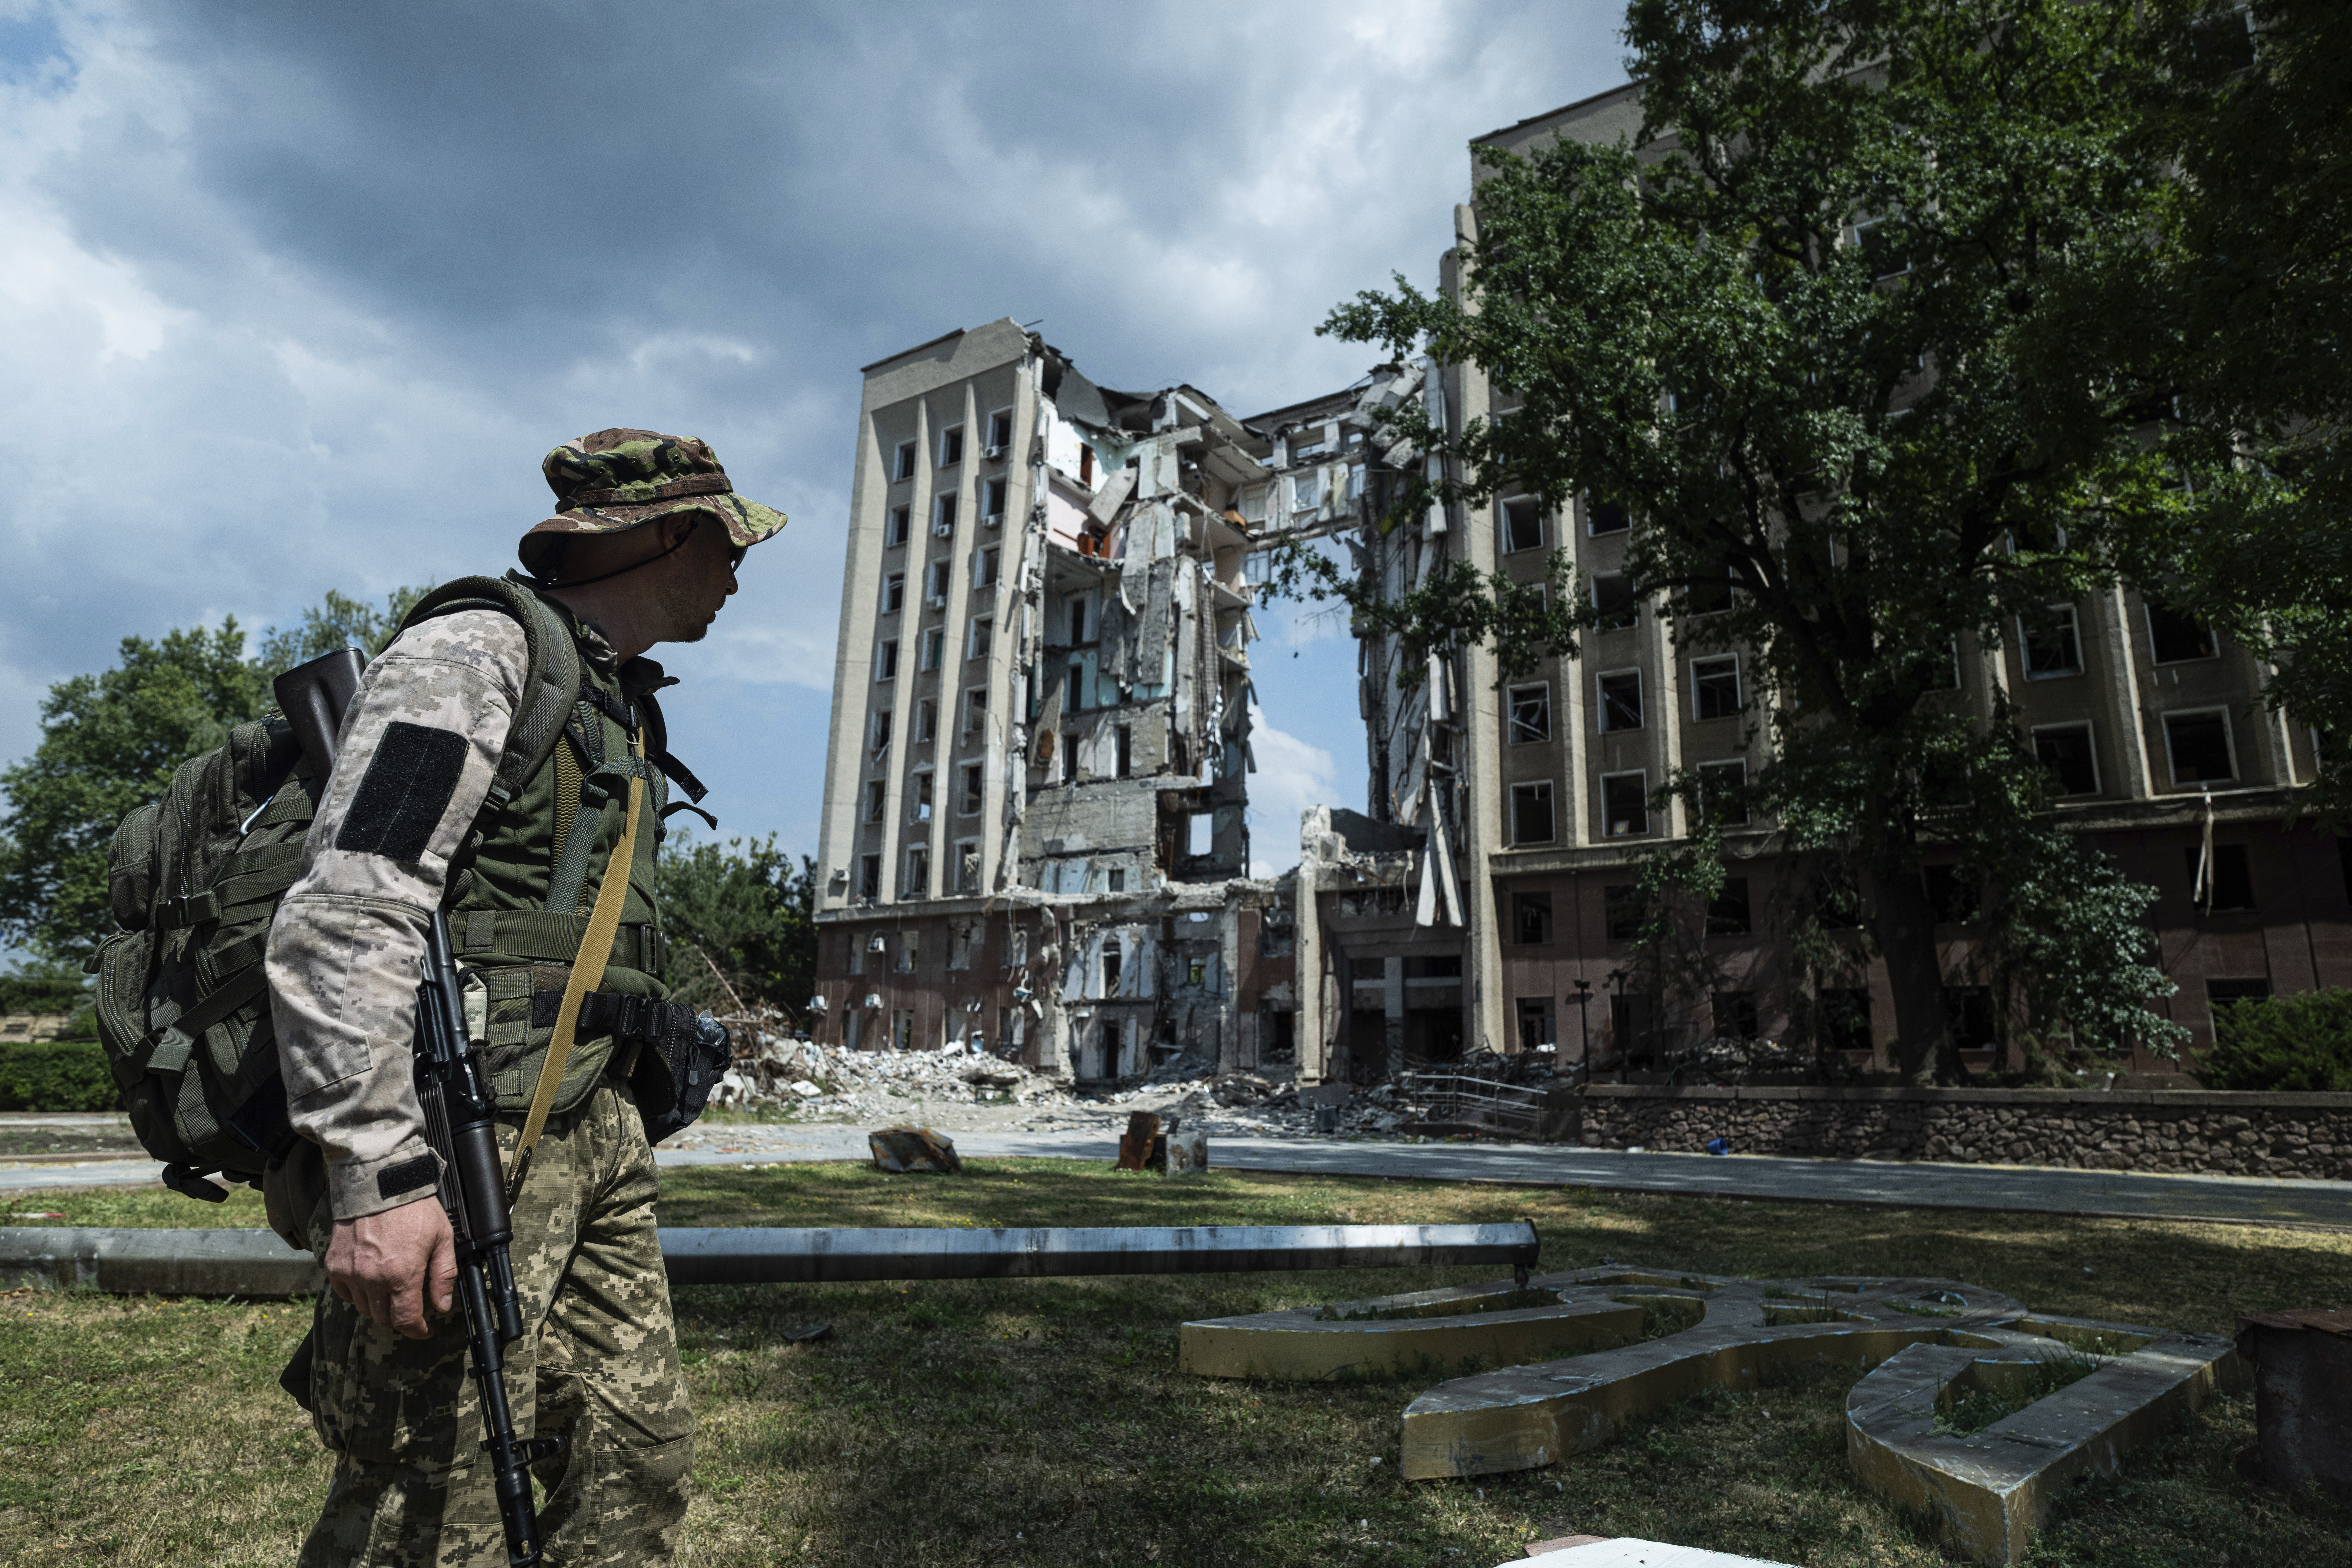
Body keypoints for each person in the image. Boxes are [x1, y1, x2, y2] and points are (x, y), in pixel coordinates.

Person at [263, 428, 785, 1566]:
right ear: (658, 536)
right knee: (432, 1500)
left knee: (633, 1465)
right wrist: (376, 1170)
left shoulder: (617, 698)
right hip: (468, 1146)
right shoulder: (474, 650)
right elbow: (349, 905)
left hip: (595, 1127)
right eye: (723, 538)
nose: (740, 566)